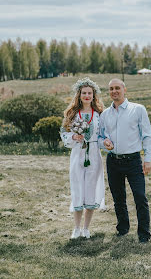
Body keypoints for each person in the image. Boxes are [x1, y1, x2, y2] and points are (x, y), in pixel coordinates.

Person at [98, 78, 151, 243]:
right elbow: (100, 136)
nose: (114, 91)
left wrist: (148, 159)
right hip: (113, 161)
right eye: (111, 89)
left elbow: (147, 135)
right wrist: (104, 143)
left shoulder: (137, 110)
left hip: (133, 161)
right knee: (118, 198)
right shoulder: (105, 114)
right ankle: (122, 229)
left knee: (140, 197)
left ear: (124, 90)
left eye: (117, 88)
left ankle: (144, 234)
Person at [60, 77, 105, 239]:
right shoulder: (72, 114)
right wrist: (73, 137)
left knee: (90, 189)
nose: (87, 96)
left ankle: (86, 228)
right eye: (84, 93)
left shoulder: (100, 114)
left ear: (94, 96)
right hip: (78, 153)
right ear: (79, 95)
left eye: (90, 93)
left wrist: (105, 142)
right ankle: (76, 228)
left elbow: (102, 135)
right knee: (78, 188)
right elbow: (64, 133)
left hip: (93, 153)